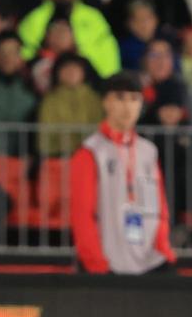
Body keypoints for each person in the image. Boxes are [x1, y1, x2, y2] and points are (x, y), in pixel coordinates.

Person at [69, 72, 176, 274]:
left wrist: (162, 246)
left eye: (134, 99)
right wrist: (95, 261)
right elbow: (82, 214)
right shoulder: (90, 152)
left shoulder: (147, 151)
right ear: (105, 102)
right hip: (105, 260)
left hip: (148, 257)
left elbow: (156, 206)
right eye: (119, 98)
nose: (127, 106)